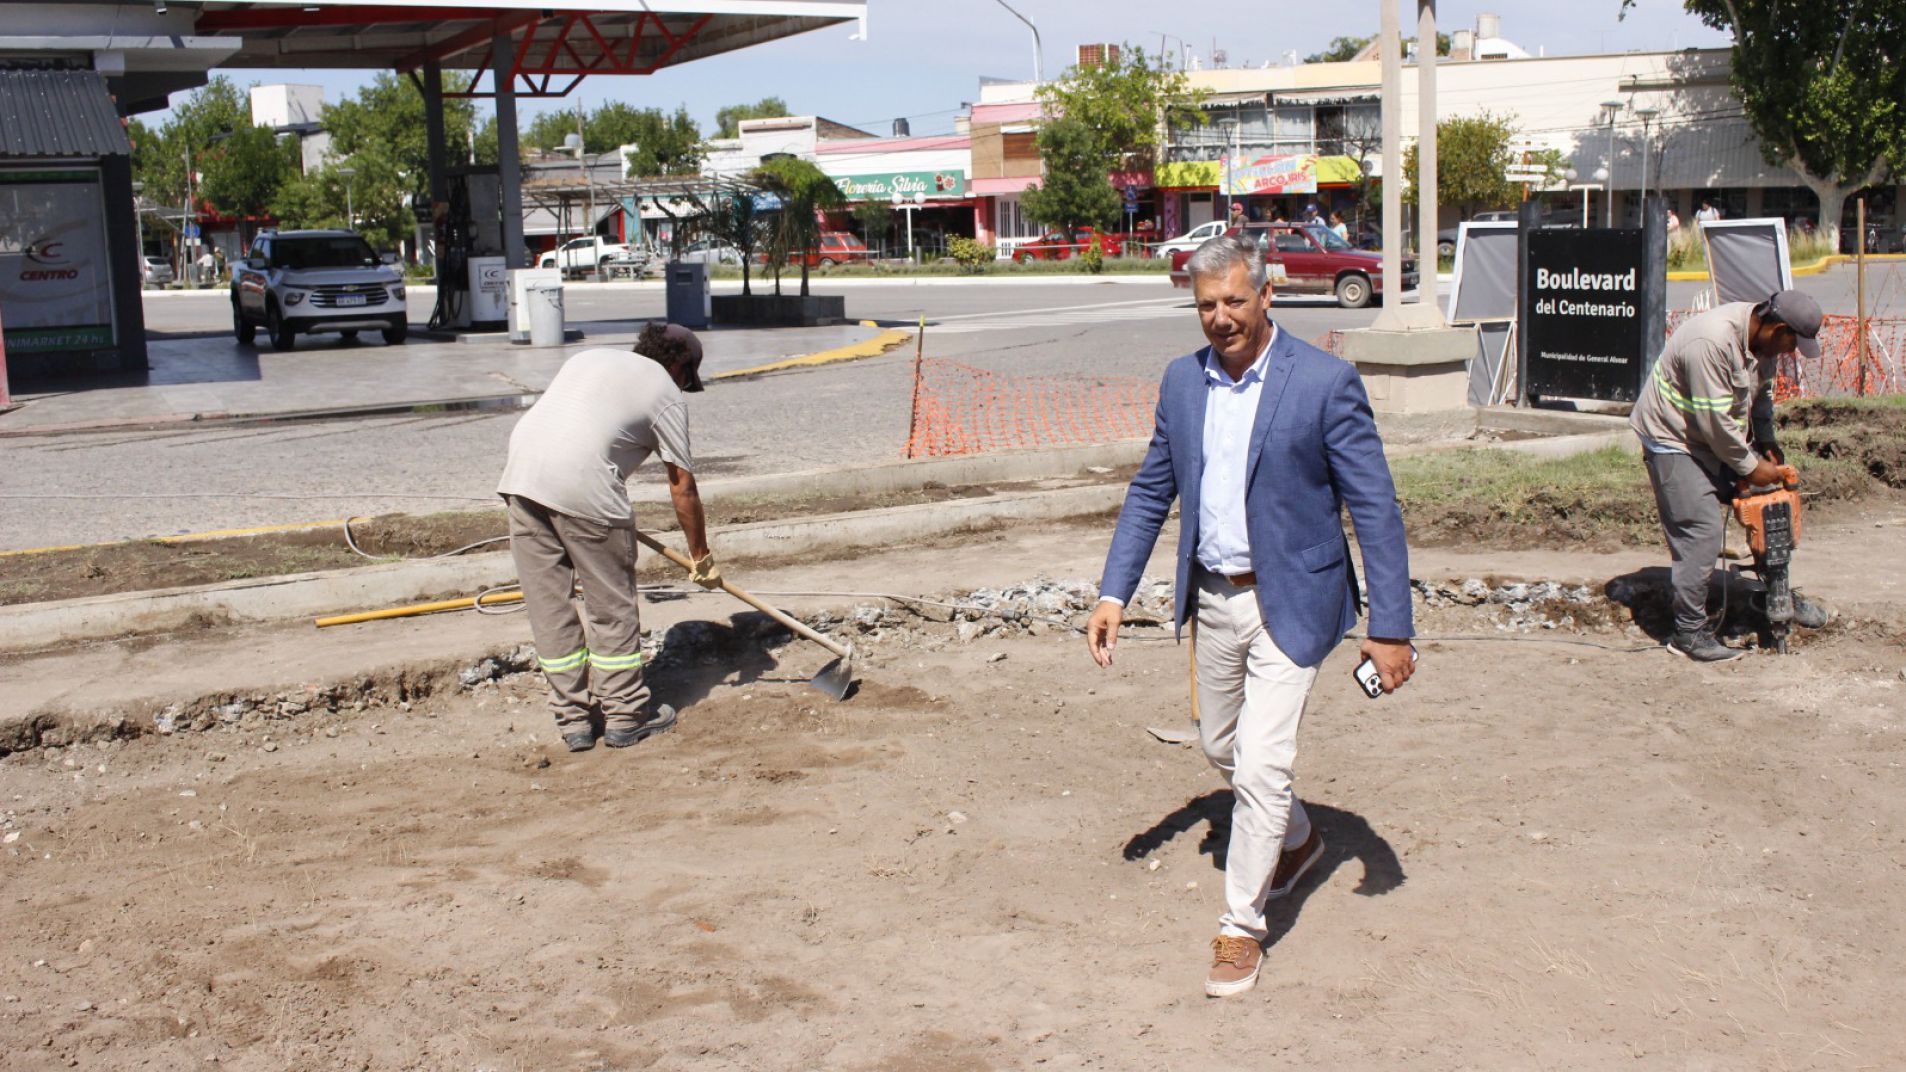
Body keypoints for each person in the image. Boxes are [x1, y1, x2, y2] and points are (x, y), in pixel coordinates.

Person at [1086, 235, 1416, 998]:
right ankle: (1297, 839)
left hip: (1292, 599)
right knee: (1219, 744)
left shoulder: (1325, 382)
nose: (1221, 317)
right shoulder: (1183, 382)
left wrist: (1391, 626)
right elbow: (1151, 489)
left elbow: (1374, 508)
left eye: (1235, 300)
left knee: (1263, 765)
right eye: (1207, 305)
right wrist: (1113, 593)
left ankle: (1241, 926)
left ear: (1268, 295)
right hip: (1212, 597)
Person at [496, 323, 719, 752]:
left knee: (549, 609)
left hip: (521, 480)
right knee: (611, 609)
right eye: (686, 379)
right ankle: (625, 716)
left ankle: (573, 722)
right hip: (586, 488)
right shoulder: (664, 391)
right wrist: (700, 556)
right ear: (680, 366)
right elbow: (682, 486)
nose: (682, 387)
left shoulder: (588, 358)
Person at [1629, 290, 1831, 661]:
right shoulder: (1712, 343)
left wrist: (1766, 442)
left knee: (1771, 507)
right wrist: (1751, 468)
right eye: (1792, 343)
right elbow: (1715, 424)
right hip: (1674, 438)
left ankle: (1775, 594)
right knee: (1701, 529)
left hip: (1716, 436)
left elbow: (1761, 396)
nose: (1792, 352)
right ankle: (1689, 633)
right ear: (1778, 329)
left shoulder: (1762, 344)